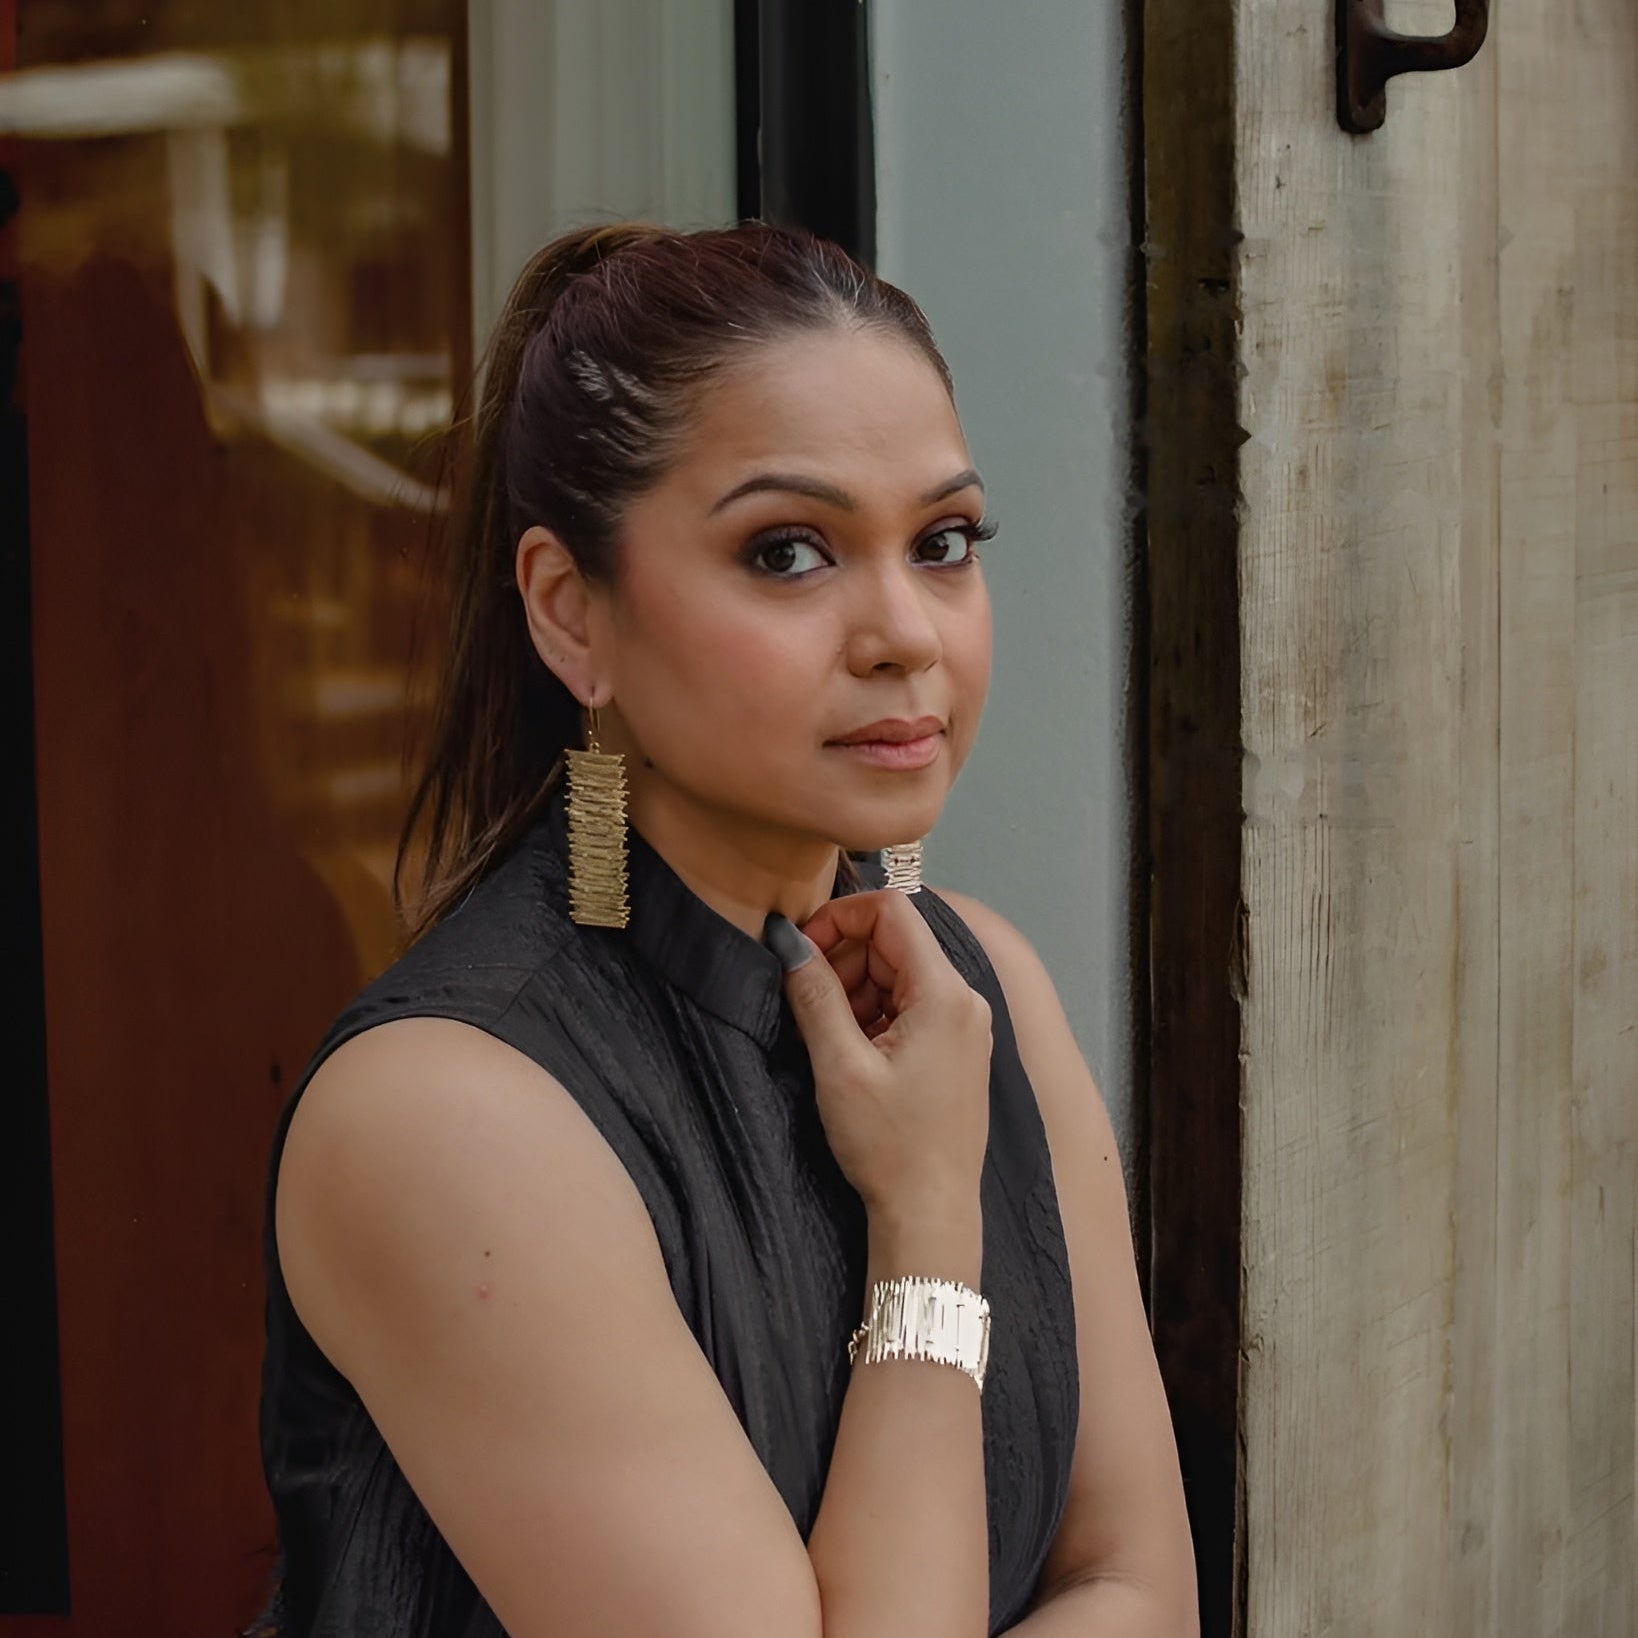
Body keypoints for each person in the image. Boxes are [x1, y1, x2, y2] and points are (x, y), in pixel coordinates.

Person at [259, 221, 1198, 1638]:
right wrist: (927, 1221)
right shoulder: (443, 1117)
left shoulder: (985, 987)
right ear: (574, 615)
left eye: (942, 542)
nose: (903, 633)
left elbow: (1139, 1587)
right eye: (788, 552)